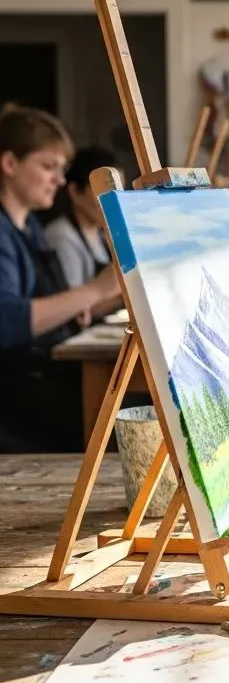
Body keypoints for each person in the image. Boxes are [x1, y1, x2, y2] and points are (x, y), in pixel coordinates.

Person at [0, 104, 122, 453]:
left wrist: (75, 308)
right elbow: (8, 320)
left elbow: (55, 305)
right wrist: (96, 289)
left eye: (61, 169)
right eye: (48, 166)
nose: (59, 179)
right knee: (126, 418)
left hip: (43, 378)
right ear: (10, 164)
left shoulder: (30, 227)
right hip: (17, 396)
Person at [44, 145, 120, 293]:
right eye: (105, 190)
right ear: (75, 191)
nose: (114, 200)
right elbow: (70, 304)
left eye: (118, 189)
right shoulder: (61, 236)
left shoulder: (101, 233)